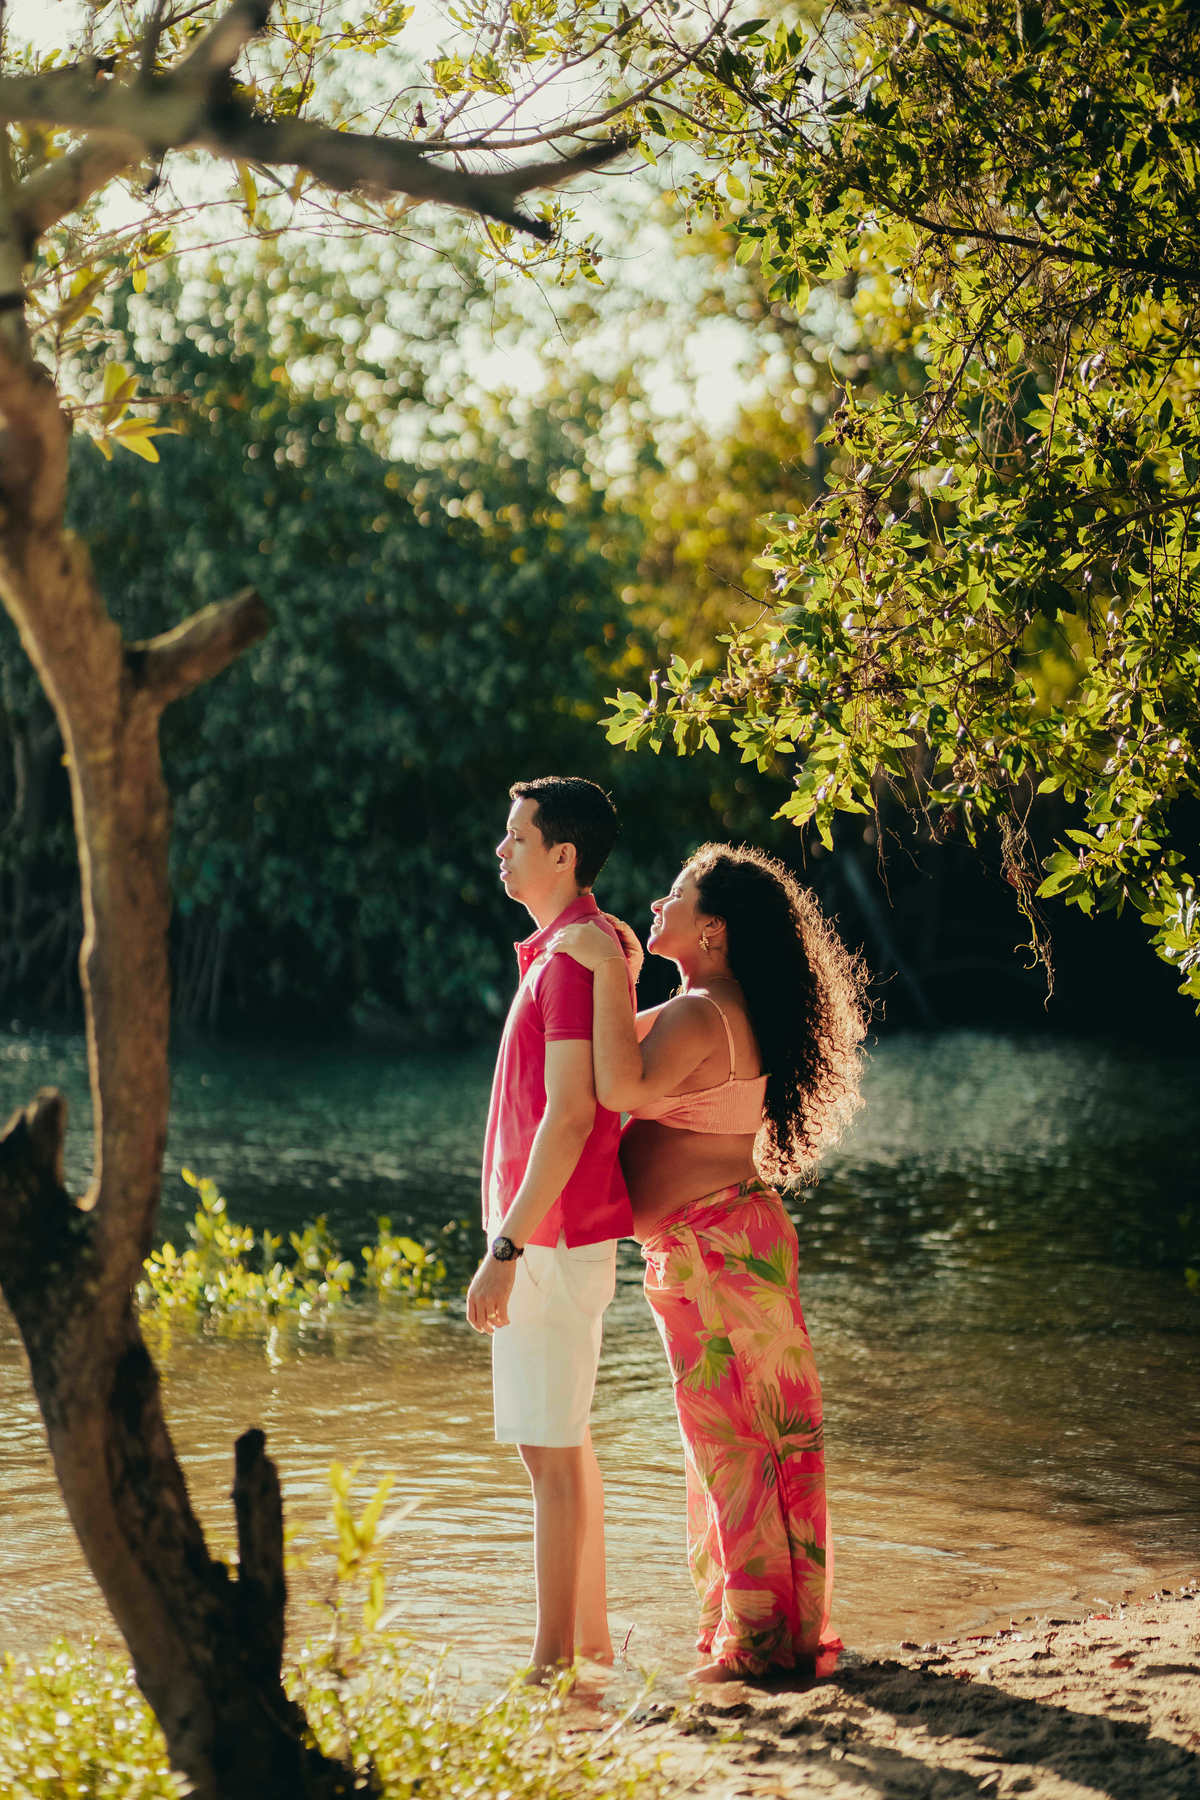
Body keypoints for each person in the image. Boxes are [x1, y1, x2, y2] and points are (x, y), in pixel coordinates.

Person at [551, 842, 867, 1683]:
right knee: (766, 1442)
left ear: (715, 932)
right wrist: (608, 961)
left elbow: (617, 1087)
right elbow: (599, 1060)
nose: (658, 904)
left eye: (676, 895)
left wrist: (600, 957)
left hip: (714, 1246)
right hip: (728, 1240)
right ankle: (775, 1633)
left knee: (732, 1445)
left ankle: (755, 1646)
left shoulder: (700, 1012)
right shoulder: (713, 1004)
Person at [466, 776, 634, 1680]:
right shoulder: (581, 945)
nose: (502, 851)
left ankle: (550, 1665)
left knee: (549, 1450)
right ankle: (590, 1645)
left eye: (516, 837)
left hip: (551, 1237)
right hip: (553, 1234)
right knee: (559, 1442)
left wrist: (505, 1249)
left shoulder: (574, 959)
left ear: (561, 856)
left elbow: (571, 1116)